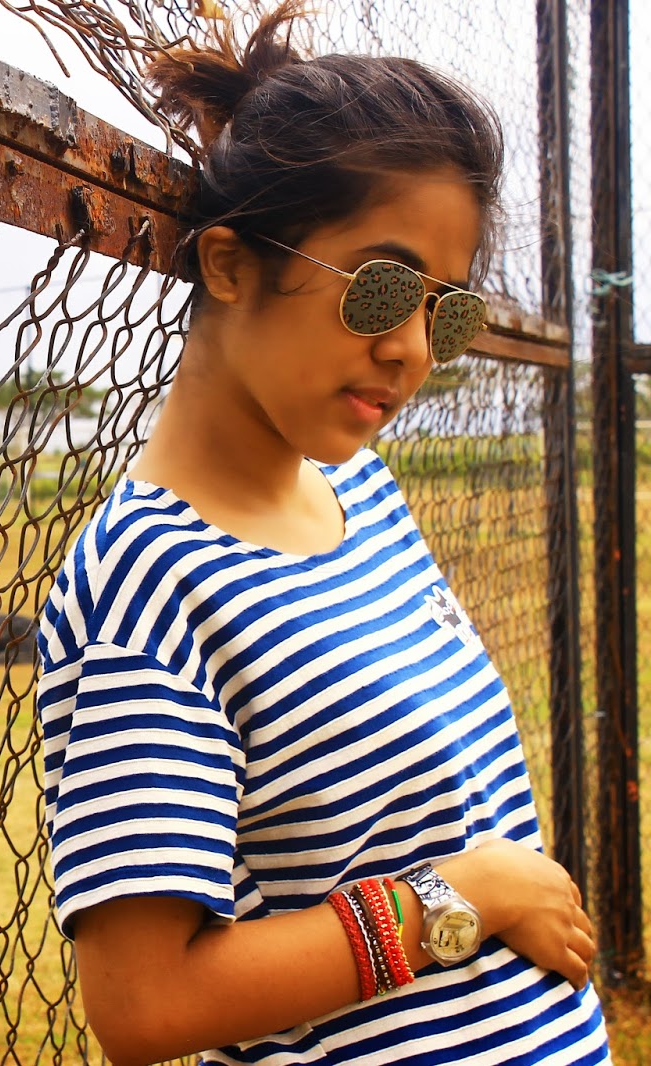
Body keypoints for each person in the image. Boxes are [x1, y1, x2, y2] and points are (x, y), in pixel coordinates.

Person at [35, 5, 611, 1064]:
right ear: (228, 265)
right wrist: (460, 898)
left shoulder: (361, 496)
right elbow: (145, 1004)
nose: (411, 352)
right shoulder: (150, 582)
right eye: (382, 289)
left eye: (445, 312)